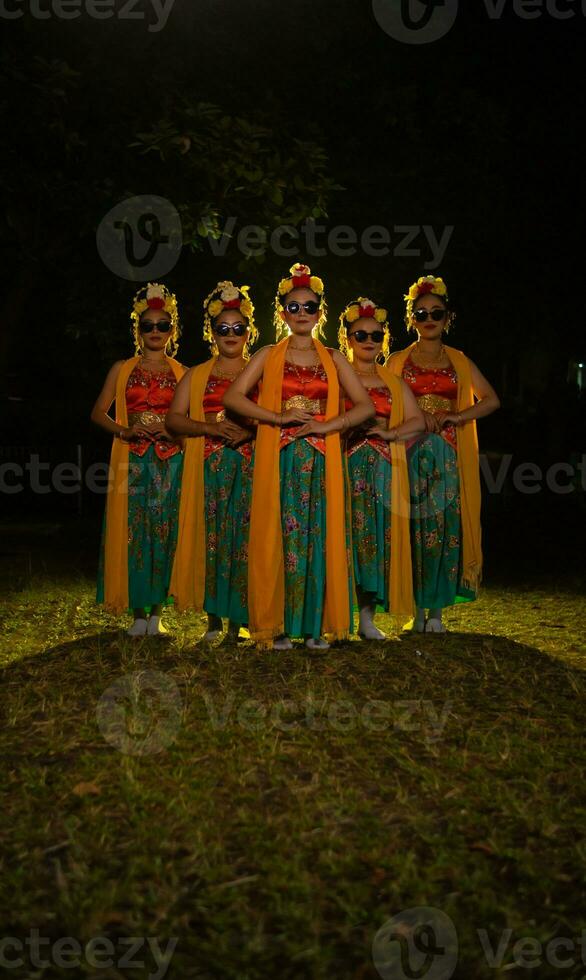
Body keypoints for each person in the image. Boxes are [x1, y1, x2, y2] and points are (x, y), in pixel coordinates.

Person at [223, 262, 374, 650]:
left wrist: (327, 425)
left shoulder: (336, 358)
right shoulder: (268, 354)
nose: (302, 313)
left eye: (309, 307)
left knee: (318, 538)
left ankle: (313, 628)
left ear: (320, 313)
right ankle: (280, 626)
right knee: (280, 538)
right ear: (282, 313)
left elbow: (365, 408)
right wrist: (276, 416)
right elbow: (232, 399)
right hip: (281, 458)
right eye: (294, 307)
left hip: (322, 460)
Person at [387, 275, 500, 632]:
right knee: (412, 528)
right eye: (421, 313)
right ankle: (415, 611)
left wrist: (456, 415)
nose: (429, 318)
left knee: (444, 527)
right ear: (412, 319)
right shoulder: (397, 361)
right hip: (409, 453)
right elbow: (384, 404)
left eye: (437, 312)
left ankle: (436, 613)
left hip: (448, 455)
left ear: (448, 318)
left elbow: (491, 400)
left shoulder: (460, 362)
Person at [92, 283, 185, 636]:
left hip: (170, 460)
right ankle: (138, 614)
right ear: (139, 330)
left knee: (165, 532)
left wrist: (174, 433)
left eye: (163, 325)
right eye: (149, 325)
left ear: (172, 331)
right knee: (134, 532)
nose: (156, 331)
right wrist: (123, 431)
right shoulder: (122, 369)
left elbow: (190, 418)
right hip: (133, 461)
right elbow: (98, 412)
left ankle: (158, 614)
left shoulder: (182, 372)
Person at [166, 282, 257, 642]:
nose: (231, 335)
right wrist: (211, 429)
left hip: (250, 467)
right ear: (212, 333)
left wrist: (249, 434)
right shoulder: (196, 375)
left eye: (238, 329)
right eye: (223, 329)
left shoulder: (260, 371)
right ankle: (213, 621)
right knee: (212, 540)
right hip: (209, 468)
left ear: (249, 333)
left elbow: (275, 415)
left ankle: (240, 621)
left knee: (244, 541)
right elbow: (174, 419)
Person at [338, 296, 425, 639]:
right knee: (344, 537)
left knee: (375, 540)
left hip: (383, 471)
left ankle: (367, 620)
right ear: (348, 339)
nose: (369, 341)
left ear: (384, 340)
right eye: (361, 335)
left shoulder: (392, 382)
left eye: (375, 335)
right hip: (344, 467)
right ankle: (337, 616)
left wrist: (390, 433)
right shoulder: (338, 378)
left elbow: (418, 422)